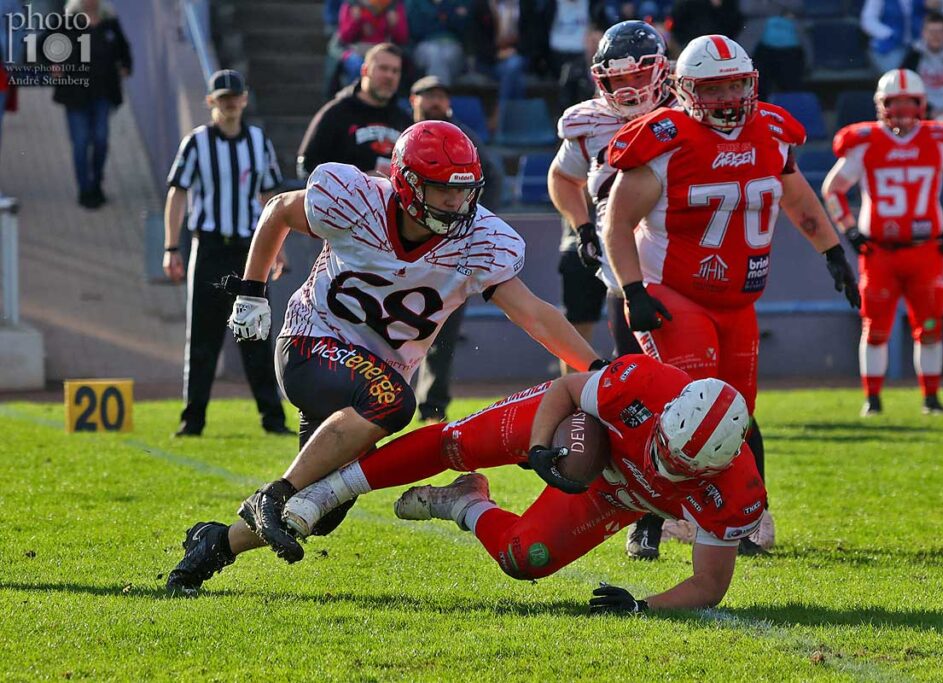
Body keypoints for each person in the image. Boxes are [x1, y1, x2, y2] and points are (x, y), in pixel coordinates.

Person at [166, 121, 604, 595]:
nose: (456, 204)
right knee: (393, 404)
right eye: (442, 192)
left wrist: (598, 372)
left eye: (463, 192)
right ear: (408, 183)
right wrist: (252, 292)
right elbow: (278, 211)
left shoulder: (478, 240)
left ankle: (212, 547)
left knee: (320, 511)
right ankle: (273, 494)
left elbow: (535, 315)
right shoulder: (357, 201)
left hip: (369, 382)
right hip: (312, 342)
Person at [603, 34, 861, 557]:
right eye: (713, 87)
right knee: (695, 409)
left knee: (737, 413)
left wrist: (832, 251)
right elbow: (617, 223)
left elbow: (795, 195)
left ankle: (736, 521)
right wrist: (633, 291)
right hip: (675, 293)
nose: (726, 98)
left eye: (736, 84)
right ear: (684, 90)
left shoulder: (770, 130)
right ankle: (650, 520)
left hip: (739, 301)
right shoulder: (665, 138)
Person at [278, 356, 765, 612]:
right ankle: (328, 491)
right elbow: (567, 387)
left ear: (716, 467)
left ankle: (464, 503)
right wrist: (538, 448)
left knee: (524, 559)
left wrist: (642, 606)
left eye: (681, 465)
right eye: (664, 446)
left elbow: (709, 584)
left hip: (616, 495)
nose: (664, 464)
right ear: (667, 413)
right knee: (457, 444)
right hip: (576, 425)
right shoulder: (641, 385)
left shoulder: (737, 494)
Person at [548, 20, 670, 558]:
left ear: (662, 71)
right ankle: (647, 513)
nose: (626, 85)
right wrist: (580, 228)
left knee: (706, 390)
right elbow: (562, 177)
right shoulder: (589, 123)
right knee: (636, 393)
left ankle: (736, 512)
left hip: (681, 267)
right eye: (615, 75)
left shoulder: (684, 115)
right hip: (626, 274)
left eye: (638, 71)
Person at [822, 69, 943, 417]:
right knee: (874, 329)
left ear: (921, 104)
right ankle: (873, 400)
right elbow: (832, 190)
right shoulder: (865, 143)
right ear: (881, 105)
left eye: (908, 102)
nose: (902, 110)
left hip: (925, 250)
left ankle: (931, 399)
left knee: (931, 327)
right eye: (895, 103)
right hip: (880, 252)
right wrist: (850, 230)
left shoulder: (936, 141)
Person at [163, 70, 291, 438]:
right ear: (211, 102)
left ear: (245, 99)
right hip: (210, 247)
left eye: (235, 96)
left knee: (257, 332)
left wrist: (276, 249)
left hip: (249, 249)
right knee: (202, 335)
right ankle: (193, 420)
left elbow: (271, 201)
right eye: (223, 97)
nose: (230, 102)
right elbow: (177, 193)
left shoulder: (258, 142)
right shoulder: (197, 142)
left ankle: (273, 419)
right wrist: (171, 246)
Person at [407, 74, 504, 424]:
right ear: (412, 100)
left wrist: (470, 218)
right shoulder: (399, 134)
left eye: (440, 96)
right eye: (427, 95)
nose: (435, 101)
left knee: (443, 326)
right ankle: (379, 400)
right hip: (398, 243)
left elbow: (490, 177)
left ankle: (432, 407)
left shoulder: (462, 139)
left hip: (448, 247)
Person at [51, 0, 131, 208]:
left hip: (102, 93)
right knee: (80, 141)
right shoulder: (67, 23)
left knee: (101, 139)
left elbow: (123, 49)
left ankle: (97, 182)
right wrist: (54, 65)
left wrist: (125, 66)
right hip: (75, 94)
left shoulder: (109, 23)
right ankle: (84, 189)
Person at [299, 42, 412, 179]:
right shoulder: (336, 113)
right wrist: (357, 183)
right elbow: (306, 167)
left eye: (395, 71)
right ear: (365, 71)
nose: (389, 76)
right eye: (383, 68)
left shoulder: (404, 120)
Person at [331, 0, 409, 96]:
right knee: (355, 64)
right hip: (357, 50)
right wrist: (355, 21)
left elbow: (402, 38)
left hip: (384, 51)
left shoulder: (393, 5)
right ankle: (355, 96)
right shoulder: (352, 4)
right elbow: (345, 37)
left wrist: (394, 24)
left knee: (391, 66)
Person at [860, 0, 943, 74]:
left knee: (932, 71)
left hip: (920, 45)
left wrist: (940, 5)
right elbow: (867, 21)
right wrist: (889, 34)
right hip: (889, 47)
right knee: (896, 76)